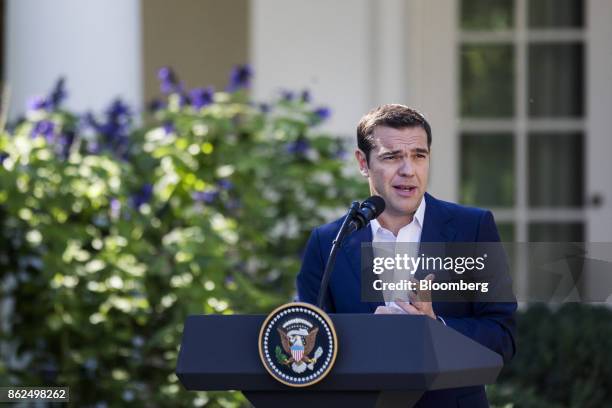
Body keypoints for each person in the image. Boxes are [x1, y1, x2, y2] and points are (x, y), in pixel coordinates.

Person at [296, 104, 516, 407]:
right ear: (363, 162)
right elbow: (309, 339)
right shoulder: (327, 242)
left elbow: (503, 336)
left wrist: (435, 327)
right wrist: (364, 335)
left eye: (418, 155)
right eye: (392, 157)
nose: (408, 170)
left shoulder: (473, 229)